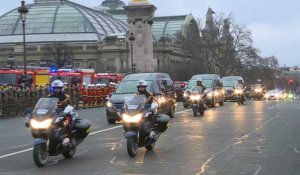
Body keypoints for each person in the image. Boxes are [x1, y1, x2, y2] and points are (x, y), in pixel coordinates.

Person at [48, 80, 73, 147]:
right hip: (53, 115)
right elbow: (46, 105)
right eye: (55, 88)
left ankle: (69, 139)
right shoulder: (49, 97)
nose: (56, 90)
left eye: (58, 88)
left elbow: (70, 105)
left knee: (67, 124)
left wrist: (66, 110)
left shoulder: (66, 97)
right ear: (52, 89)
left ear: (61, 89)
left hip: (64, 114)